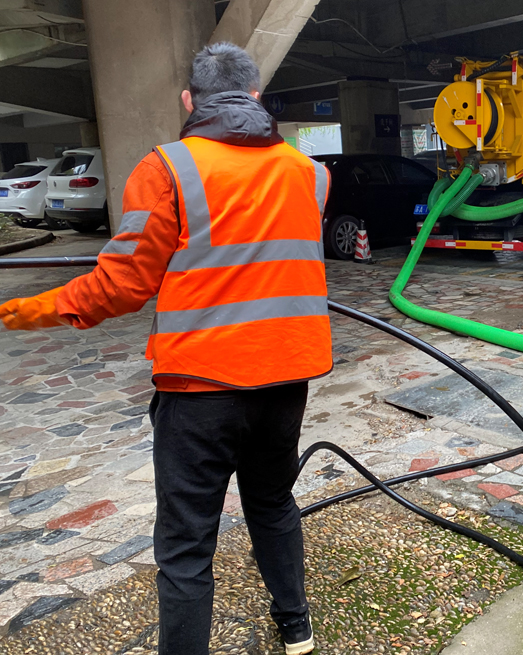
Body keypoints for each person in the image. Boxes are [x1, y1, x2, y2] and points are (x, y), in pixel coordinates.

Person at [0, 43, 329, 655]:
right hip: (288, 378)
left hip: (200, 390)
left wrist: (22, 311)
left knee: (185, 544)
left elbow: (121, 286)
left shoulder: (168, 168)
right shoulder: (311, 173)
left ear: (189, 101)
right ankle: (296, 630)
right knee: (273, 502)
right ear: (256, 97)